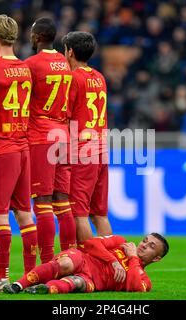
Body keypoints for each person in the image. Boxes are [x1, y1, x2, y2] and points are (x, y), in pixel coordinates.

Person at [0, 14, 37, 292]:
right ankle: (31, 276)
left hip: (0, 148)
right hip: (23, 147)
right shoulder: (26, 69)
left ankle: (2, 276)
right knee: (25, 214)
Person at [25, 17, 76, 264]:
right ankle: (70, 259)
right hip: (64, 136)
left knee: (42, 202)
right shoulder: (66, 63)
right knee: (63, 202)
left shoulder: (31, 65)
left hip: (41, 136)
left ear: (36, 37)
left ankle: (47, 262)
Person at [62, 31, 112, 244]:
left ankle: (88, 264)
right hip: (101, 149)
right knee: (99, 214)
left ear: (70, 52)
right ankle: (114, 261)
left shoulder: (73, 79)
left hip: (83, 151)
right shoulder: (99, 77)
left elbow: (66, 116)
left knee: (79, 213)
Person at [3, 233, 169, 294]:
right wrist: (113, 262)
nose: (143, 245)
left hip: (92, 281)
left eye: (150, 246)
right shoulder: (120, 242)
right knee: (66, 264)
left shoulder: (145, 280)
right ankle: (18, 285)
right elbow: (91, 244)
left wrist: (133, 258)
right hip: (82, 259)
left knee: (77, 283)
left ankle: (42, 289)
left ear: (156, 259)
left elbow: (134, 287)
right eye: (145, 241)